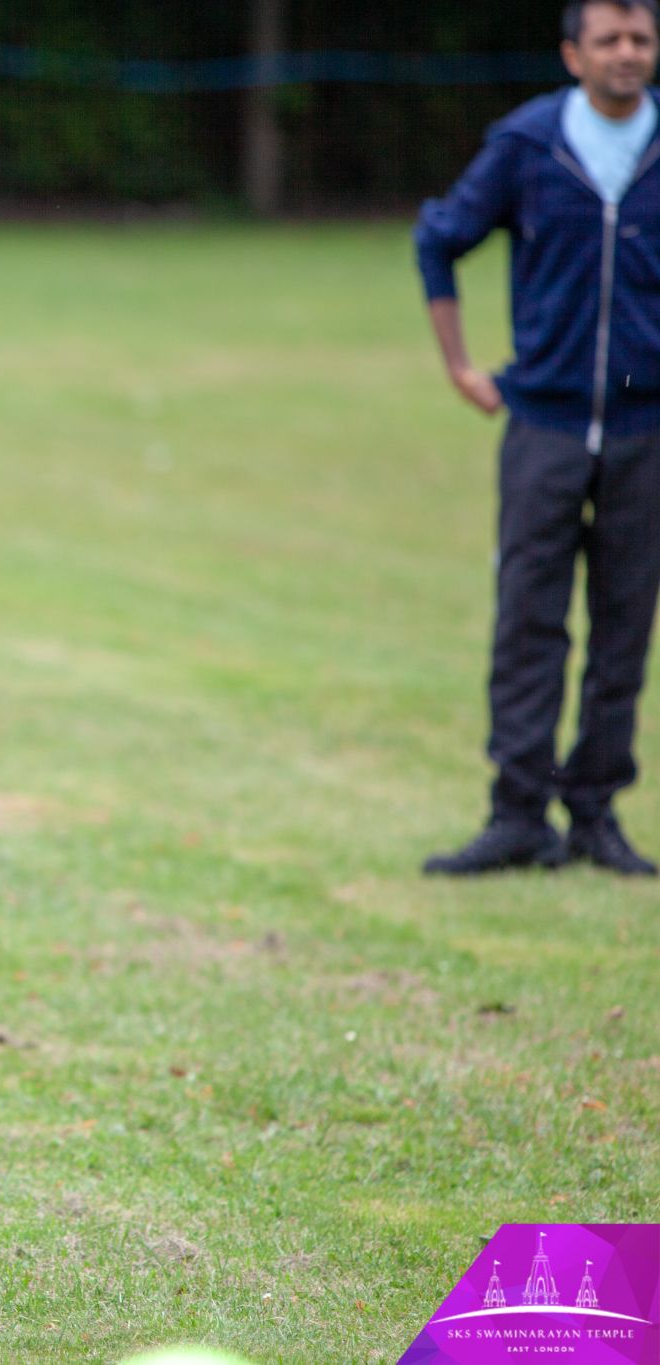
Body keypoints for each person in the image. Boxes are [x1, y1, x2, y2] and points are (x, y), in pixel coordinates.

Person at [414, 0, 660, 876]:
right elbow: (439, 240)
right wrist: (459, 363)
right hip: (546, 423)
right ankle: (517, 813)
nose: (627, 54)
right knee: (529, 621)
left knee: (626, 626)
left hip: (645, 429)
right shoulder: (527, 145)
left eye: (641, 39)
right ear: (573, 54)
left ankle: (595, 812)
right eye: (610, 40)